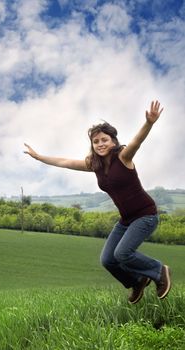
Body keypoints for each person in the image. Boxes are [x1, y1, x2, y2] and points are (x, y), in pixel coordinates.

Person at [24, 100, 171, 304]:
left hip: (145, 215)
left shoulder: (123, 156)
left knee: (123, 253)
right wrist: (39, 157)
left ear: (113, 141)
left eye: (105, 140)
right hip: (126, 220)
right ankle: (137, 281)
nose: (100, 144)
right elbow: (65, 162)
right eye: (96, 141)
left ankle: (159, 271)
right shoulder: (94, 164)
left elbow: (138, 141)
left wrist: (149, 123)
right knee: (108, 260)